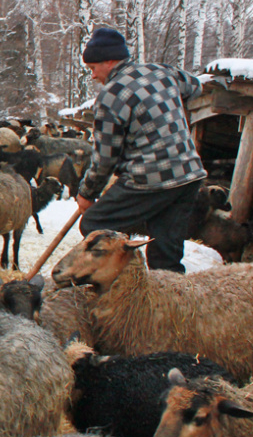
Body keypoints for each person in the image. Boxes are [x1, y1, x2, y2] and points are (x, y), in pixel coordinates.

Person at [75, 26, 207, 272]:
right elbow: (196, 86)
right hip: (189, 174)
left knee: (94, 223)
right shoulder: (161, 71)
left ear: (110, 61)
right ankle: (165, 302)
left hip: (151, 176)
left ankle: (122, 284)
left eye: (93, 68)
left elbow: (105, 158)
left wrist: (86, 193)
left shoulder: (110, 96)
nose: (92, 76)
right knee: (165, 253)